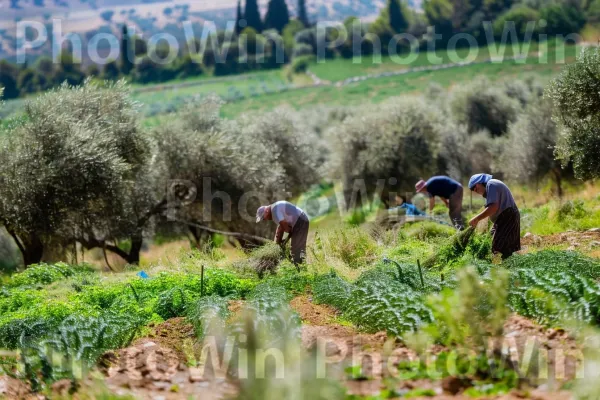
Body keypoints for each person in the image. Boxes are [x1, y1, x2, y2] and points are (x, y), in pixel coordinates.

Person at [468, 173, 521, 259]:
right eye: (473, 190)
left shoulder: (491, 184)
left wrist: (476, 219)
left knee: (500, 247)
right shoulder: (490, 187)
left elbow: (493, 207)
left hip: (508, 217)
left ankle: (507, 269)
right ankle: (505, 267)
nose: (475, 191)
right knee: (490, 241)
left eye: (475, 188)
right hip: (502, 219)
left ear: (479, 183)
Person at [256, 201, 309, 265]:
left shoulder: (274, 210)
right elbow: (281, 227)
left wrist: (288, 232)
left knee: (296, 249)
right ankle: (302, 265)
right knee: (298, 248)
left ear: (266, 211)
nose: (265, 219)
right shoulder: (274, 209)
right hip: (300, 220)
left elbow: (283, 224)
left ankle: (302, 267)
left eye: (264, 218)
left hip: (300, 221)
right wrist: (277, 242)